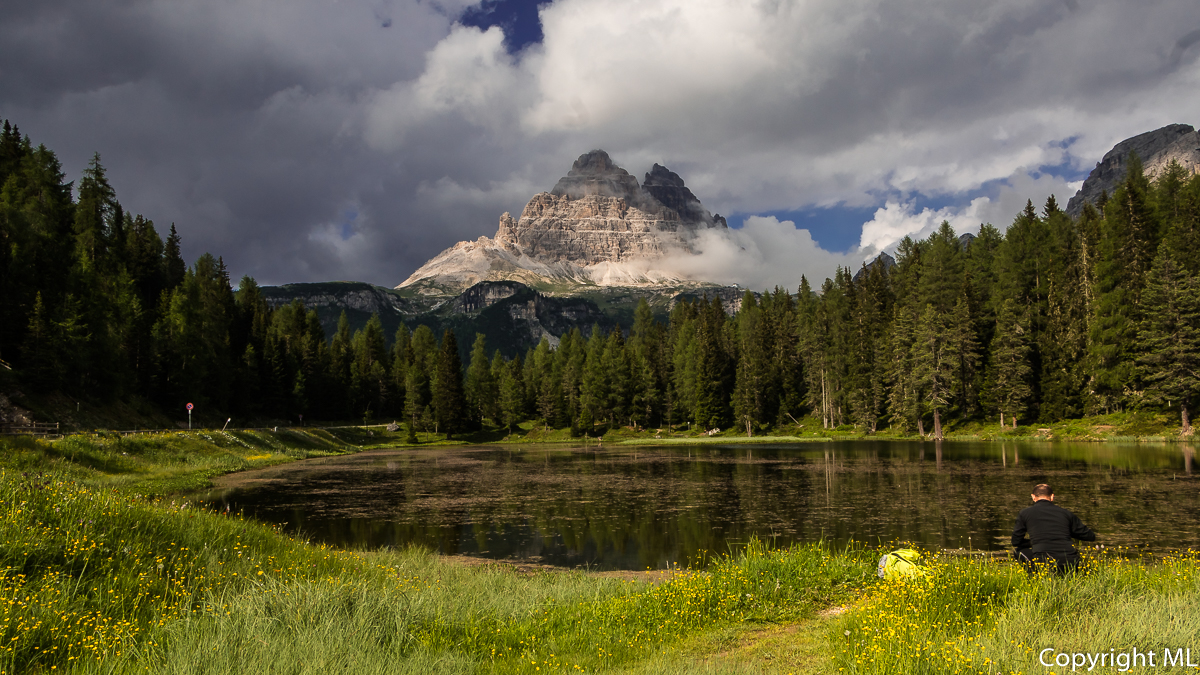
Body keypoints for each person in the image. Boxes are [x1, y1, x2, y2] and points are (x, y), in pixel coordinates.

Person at [1011, 483, 1096, 574]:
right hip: (1070, 563)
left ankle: (1036, 577)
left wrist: (1035, 542)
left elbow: (1016, 541)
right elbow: (1090, 536)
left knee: (1018, 551)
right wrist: (1065, 532)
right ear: (1052, 497)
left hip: (1043, 562)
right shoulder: (1066, 513)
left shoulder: (1025, 513)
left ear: (1033, 497)